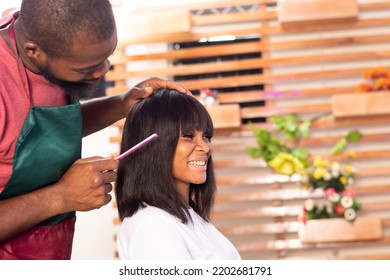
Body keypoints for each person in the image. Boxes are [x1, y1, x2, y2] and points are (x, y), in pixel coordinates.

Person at [0, 0, 190, 260]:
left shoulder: (39, 36)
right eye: (86, 68)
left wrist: (121, 105)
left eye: (106, 57)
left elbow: (34, 131)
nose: (102, 71)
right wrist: (60, 197)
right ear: (34, 51)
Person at [115, 89, 241, 260]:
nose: (205, 147)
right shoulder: (153, 226)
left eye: (206, 136)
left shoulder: (188, 217)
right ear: (154, 146)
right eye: (188, 136)